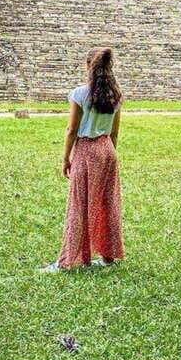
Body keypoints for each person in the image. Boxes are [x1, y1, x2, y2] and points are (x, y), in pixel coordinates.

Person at [40, 47, 124, 272]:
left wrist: (65, 158)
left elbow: (72, 129)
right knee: (107, 203)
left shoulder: (80, 94)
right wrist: (107, 154)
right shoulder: (115, 95)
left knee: (79, 205)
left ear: (89, 66)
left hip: (86, 150)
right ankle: (108, 256)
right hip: (107, 150)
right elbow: (114, 133)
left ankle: (69, 259)